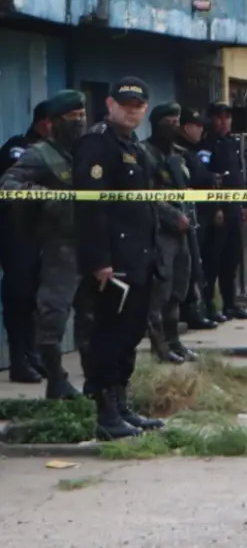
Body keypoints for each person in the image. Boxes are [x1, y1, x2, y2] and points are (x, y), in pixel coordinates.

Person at [73, 78, 164, 440]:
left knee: (129, 334)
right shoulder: (98, 143)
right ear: (109, 104)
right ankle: (105, 412)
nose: (131, 109)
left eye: (138, 105)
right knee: (108, 337)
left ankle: (121, 405)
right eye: (125, 103)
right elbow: (90, 208)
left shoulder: (133, 146)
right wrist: (99, 260)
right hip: (113, 262)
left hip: (138, 257)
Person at [0, 91, 89, 398]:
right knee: (52, 316)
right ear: (54, 123)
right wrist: (43, 196)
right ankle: (56, 378)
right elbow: (9, 184)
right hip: (58, 246)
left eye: (82, 116)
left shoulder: (90, 152)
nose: (79, 122)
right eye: (72, 118)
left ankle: (97, 384)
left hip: (93, 245)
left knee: (92, 318)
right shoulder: (41, 154)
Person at [141, 103, 201, 364]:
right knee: (160, 290)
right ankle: (159, 347)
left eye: (177, 121)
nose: (174, 126)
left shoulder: (178, 154)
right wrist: (172, 217)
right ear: (156, 124)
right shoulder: (143, 154)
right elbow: (146, 195)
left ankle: (175, 341)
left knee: (179, 288)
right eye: (169, 122)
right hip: (158, 231)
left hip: (183, 231)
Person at [0, 101, 53, 382]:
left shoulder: (55, 152)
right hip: (17, 234)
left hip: (41, 234)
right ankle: (19, 360)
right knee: (19, 296)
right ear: (45, 122)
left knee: (35, 298)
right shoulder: (20, 148)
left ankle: (33, 356)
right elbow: (11, 190)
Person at [197, 102, 247, 323]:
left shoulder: (233, 143)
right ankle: (209, 306)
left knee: (232, 260)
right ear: (211, 120)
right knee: (214, 260)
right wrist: (216, 208)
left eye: (227, 118)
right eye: (220, 118)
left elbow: (240, 178)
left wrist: (245, 205)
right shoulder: (207, 144)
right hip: (217, 210)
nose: (224, 122)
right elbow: (205, 178)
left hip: (234, 208)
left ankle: (230, 304)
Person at [176, 107, 217, 331]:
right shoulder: (180, 152)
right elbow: (195, 177)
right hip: (185, 215)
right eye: (197, 126)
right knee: (189, 267)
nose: (201, 130)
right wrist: (209, 178)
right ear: (186, 127)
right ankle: (190, 311)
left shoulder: (192, 150)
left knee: (197, 266)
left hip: (196, 215)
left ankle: (198, 309)